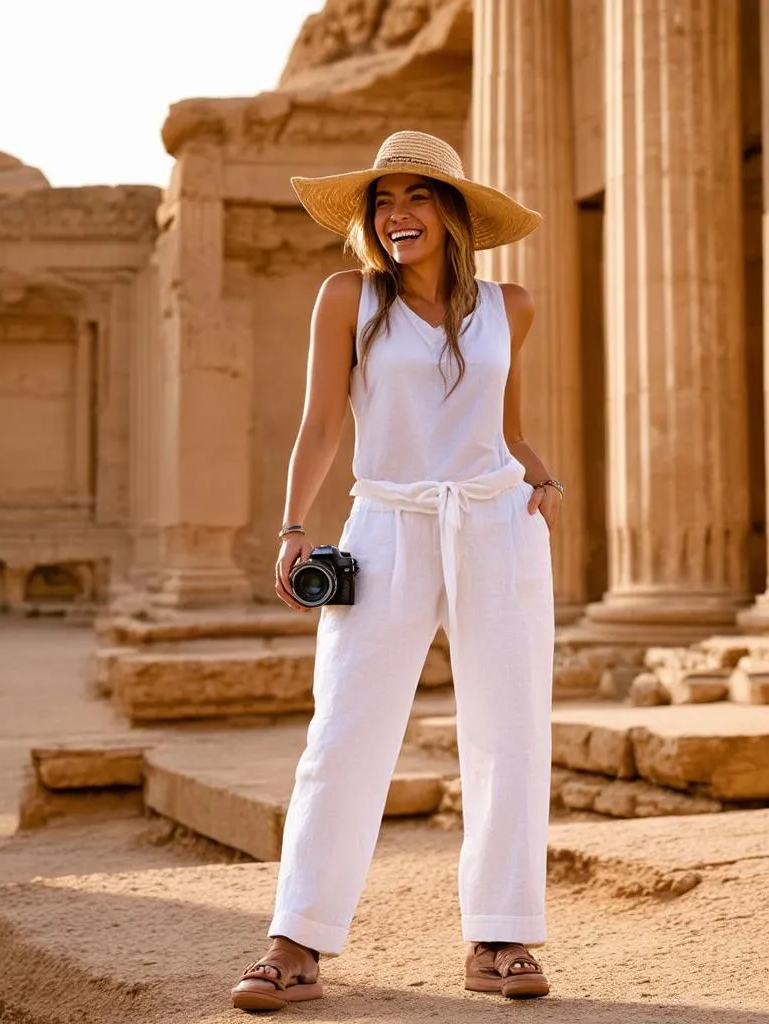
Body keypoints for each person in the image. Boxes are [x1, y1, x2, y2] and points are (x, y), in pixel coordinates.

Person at [231, 130, 562, 1012]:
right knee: (344, 731)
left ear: (454, 214)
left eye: (416, 198)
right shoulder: (350, 298)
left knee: (511, 729)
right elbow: (321, 424)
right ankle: (294, 942)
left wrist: (541, 475)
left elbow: (508, 424)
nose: (397, 215)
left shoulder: (511, 306)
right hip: (386, 519)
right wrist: (294, 526)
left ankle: (500, 938)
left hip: (497, 523)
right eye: (383, 201)